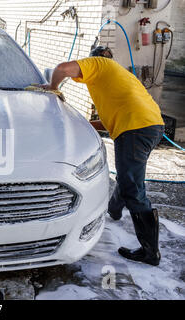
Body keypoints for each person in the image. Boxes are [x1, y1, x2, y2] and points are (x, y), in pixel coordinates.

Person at [42, 46, 165, 266]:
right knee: (128, 176)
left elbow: (61, 69)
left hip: (135, 128)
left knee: (132, 188)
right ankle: (115, 210)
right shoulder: (116, 76)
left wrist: (52, 88)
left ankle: (150, 252)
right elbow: (106, 122)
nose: (80, 73)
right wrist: (80, 124)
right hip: (150, 125)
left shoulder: (100, 64)